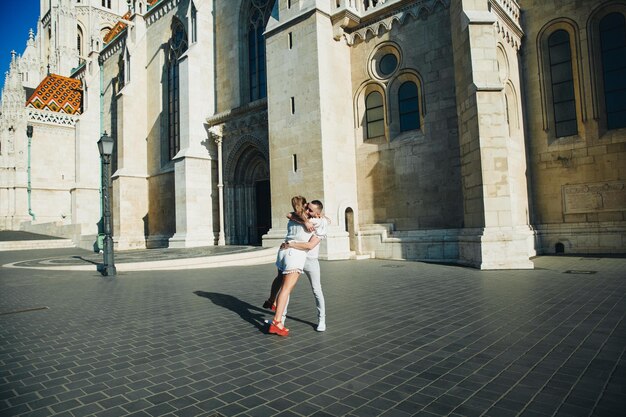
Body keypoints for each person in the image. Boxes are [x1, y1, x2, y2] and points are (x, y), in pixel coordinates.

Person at [266, 200, 328, 335]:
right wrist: (304, 221)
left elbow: (310, 246)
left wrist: (292, 244)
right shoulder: (304, 218)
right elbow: (290, 214)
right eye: (307, 208)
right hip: (296, 257)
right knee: (286, 289)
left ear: (318, 213)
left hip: (310, 260)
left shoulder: (321, 223)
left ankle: (321, 320)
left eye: (311, 210)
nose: (307, 212)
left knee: (316, 290)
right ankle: (280, 319)